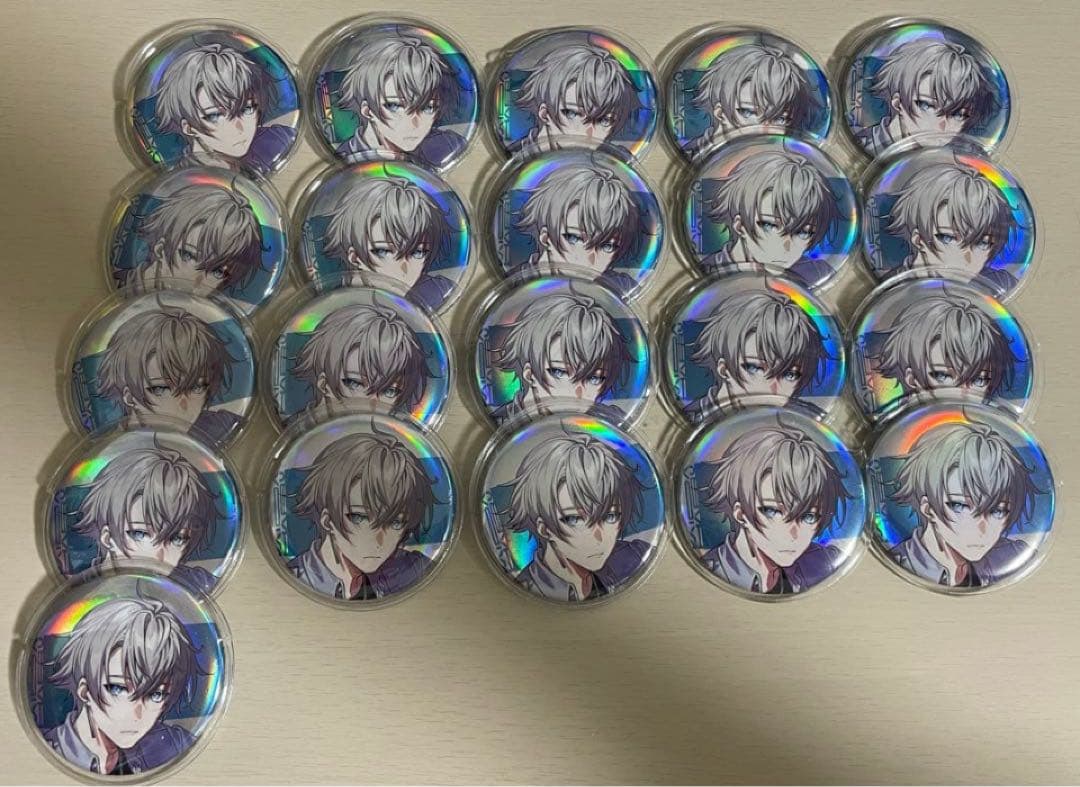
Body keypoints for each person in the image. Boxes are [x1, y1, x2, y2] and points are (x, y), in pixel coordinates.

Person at [44, 596, 201, 775]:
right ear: (85, 691)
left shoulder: (174, 745)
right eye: (118, 689)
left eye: (156, 695)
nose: (137, 716)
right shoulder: (48, 752)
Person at [700, 420, 850, 594]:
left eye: (808, 516)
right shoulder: (714, 570)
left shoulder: (823, 562)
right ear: (740, 514)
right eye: (773, 511)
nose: (793, 535)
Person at [888, 418, 1038, 587]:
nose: (981, 531)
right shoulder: (898, 564)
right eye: (960, 506)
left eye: (997, 511)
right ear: (928, 509)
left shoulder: (1013, 556)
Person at [288, 431, 435, 600]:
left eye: (395, 522)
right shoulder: (295, 580)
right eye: (359, 518)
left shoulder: (415, 570)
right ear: (327, 521)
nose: (378, 541)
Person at [504, 433, 648, 601]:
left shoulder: (634, 556)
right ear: (544, 528)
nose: (599, 538)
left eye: (610, 516)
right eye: (575, 519)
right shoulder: (527, 588)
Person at [72, 446, 218, 594]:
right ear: (108, 537)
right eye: (140, 534)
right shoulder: (81, 590)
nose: (158, 557)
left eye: (177, 538)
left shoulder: (197, 582)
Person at [95, 304, 239, 444]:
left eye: (196, 387)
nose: (183, 405)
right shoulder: (107, 444)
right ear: (128, 396)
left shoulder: (221, 426)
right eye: (160, 389)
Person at [490, 290, 632, 426]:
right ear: (529, 373)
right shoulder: (503, 421)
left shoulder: (610, 422)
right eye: (560, 372)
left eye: (594, 378)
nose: (578, 394)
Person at [700, 149, 839, 285]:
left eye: (803, 232)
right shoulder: (710, 269)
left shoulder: (817, 273)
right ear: (740, 225)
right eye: (770, 225)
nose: (786, 247)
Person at [686, 287, 827, 421]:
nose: (772, 390)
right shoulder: (696, 415)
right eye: (755, 368)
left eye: (790, 375)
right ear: (724, 369)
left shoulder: (809, 419)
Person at [153, 43, 296, 172]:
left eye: (246, 109)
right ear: (188, 127)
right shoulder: (182, 176)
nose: (239, 128)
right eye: (215, 116)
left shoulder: (276, 140)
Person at [322, 175, 453, 311]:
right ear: (354, 257)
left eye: (418, 252)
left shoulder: (437, 290)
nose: (403, 269)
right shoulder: (333, 299)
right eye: (383, 251)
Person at [334, 36, 465, 168]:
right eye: (394, 106)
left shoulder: (450, 145)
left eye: (427, 107)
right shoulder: (345, 157)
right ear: (367, 111)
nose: (414, 124)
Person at [855, 38, 998, 156]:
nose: (942, 126)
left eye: (958, 114)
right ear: (897, 103)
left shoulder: (966, 158)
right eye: (927, 105)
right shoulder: (866, 143)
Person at [291, 303, 429, 423]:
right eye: (355, 383)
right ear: (324, 383)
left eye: (389, 391)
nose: (372, 406)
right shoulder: (296, 431)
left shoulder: (398, 439)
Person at [120, 182, 262, 296]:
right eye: (188, 255)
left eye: (218, 272)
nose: (194, 282)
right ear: (160, 248)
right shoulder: (122, 287)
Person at [685, 43, 817, 158]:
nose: (764, 132)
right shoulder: (693, 153)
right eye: (749, 112)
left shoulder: (795, 164)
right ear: (720, 113)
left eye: (780, 119)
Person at [510, 43, 640, 156]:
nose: (588, 135)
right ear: (544, 113)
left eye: (604, 120)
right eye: (572, 114)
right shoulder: (516, 157)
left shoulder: (618, 161)